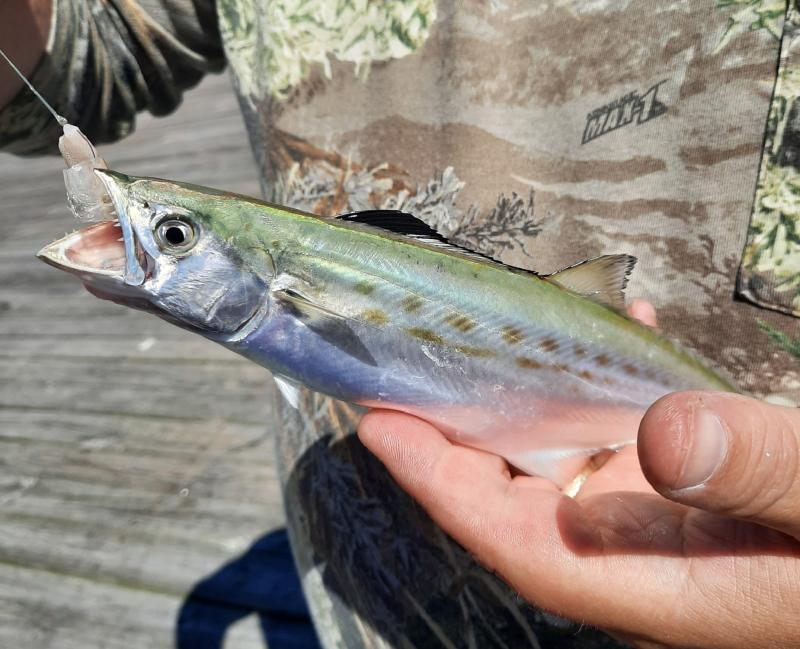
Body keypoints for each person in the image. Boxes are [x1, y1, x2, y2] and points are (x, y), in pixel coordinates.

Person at [2, 1, 799, 647]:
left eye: (176, 237)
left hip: (700, 523)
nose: (162, 244)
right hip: (369, 597)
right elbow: (98, 49)